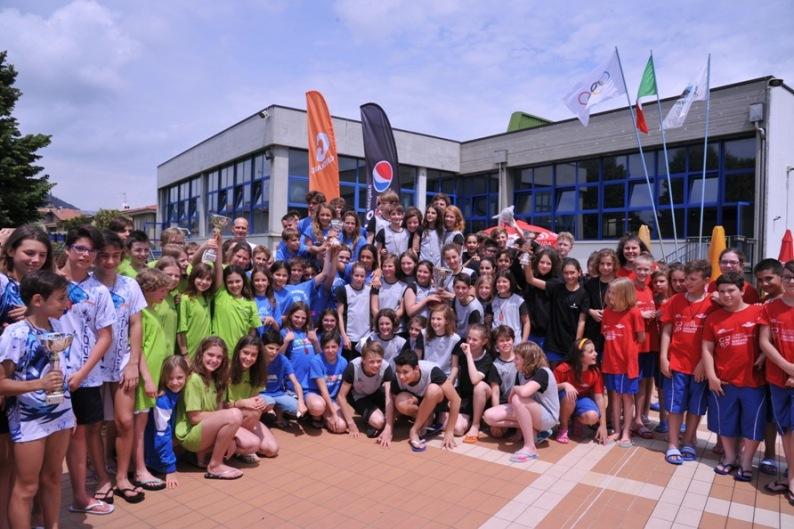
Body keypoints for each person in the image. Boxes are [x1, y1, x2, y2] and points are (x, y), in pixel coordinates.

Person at [0, 271, 77, 526]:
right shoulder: (16, 333)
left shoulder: (58, 327)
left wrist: (70, 410)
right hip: (28, 418)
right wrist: (39, 385)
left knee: (53, 478)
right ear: (37, 300)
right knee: (27, 486)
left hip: (60, 413)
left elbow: (60, 374)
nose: (66, 303)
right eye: (60, 298)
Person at [59, 226, 117, 515]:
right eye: (80, 248)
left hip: (85, 376)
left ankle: (80, 496)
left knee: (80, 436)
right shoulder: (48, 282)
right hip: (49, 377)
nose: (86, 255)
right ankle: (35, 506)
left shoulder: (99, 291)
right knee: (45, 439)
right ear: (68, 248)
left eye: (91, 250)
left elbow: (105, 336)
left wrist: (82, 373)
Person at [93, 230, 147, 503]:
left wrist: (133, 363)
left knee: (125, 421)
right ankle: (102, 477)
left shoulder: (129, 285)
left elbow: (136, 324)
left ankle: (123, 477)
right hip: (90, 364)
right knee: (94, 426)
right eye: (104, 255)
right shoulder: (84, 285)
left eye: (116, 255)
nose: (110, 261)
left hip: (122, 361)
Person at [702, 272, 766, 481]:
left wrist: (764, 355)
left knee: (752, 424)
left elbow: (771, 339)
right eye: (722, 291)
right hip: (724, 381)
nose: (726, 295)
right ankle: (730, 457)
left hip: (753, 382)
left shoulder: (758, 312)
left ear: (742, 290)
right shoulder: (713, 318)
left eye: (731, 290)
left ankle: (746, 461)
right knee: (725, 422)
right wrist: (711, 376)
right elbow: (707, 349)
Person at [658, 259, 716, 464]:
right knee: (675, 406)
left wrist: (703, 363)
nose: (687, 283)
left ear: (706, 280)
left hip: (700, 366)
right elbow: (667, 330)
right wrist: (663, 357)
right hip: (677, 363)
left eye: (693, 279)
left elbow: (714, 338)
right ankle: (673, 443)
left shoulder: (713, 303)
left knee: (695, 407)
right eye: (686, 279)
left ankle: (689, 441)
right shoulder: (675, 301)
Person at [174, 337, 257, 480]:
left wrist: (230, 437)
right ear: (201, 354)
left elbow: (219, 411)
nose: (214, 360)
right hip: (191, 433)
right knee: (234, 414)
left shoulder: (217, 378)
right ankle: (215, 465)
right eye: (210, 355)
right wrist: (227, 417)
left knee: (253, 444)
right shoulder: (194, 379)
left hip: (209, 429)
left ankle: (202, 454)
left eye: (219, 357)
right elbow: (194, 418)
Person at [483, 342, 560, 462]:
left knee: (517, 399)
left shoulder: (543, 372)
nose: (514, 361)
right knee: (489, 417)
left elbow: (523, 393)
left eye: (517, 358)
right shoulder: (521, 373)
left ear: (528, 359)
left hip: (548, 417)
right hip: (531, 410)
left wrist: (515, 388)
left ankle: (530, 448)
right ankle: (534, 432)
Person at [131, 269, 172, 493]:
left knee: (142, 424)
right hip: (143, 380)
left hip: (153, 378)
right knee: (138, 426)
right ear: (147, 290)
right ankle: (139, 470)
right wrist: (147, 379)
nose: (165, 294)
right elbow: (138, 350)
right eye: (161, 290)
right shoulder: (141, 315)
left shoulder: (152, 311)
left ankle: (140, 464)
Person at [759, 260, 794, 500]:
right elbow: (765, 341)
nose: (792, 281)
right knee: (787, 429)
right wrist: (787, 368)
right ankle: (791, 474)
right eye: (788, 276)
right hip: (777, 378)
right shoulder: (770, 307)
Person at [601, 277, 645, 447]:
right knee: (614, 397)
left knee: (627, 397)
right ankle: (617, 430)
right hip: (610, 363)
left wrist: (628, 349)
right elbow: (605, 333)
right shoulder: (607, 312)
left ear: (625, 295)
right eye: (609, 292)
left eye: (614, 293)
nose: (610, 295)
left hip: (627, 365)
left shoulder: (634, 313)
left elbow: (640, 337)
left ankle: (626, 431)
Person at [387, 350, 460, 451]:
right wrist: (388, 429)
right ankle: (426, 419)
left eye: (405, 372)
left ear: (416, 368)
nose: (401, 376)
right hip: (417, 402)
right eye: (398, 371)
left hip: (435, 402)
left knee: (433, 389)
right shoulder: (397, 378)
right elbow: (392, 404)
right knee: (400, 401)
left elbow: (456, 399)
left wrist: (449, 431)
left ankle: (414, 430)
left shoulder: (433, 371)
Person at [754, 257, 785, 475]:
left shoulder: (788, 301)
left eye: (769, 279)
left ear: (781, 276)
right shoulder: (765, 303)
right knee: (769, 414)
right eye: (760, 280)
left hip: (786, 367)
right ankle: (770, 455)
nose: (764, 284)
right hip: (767, 371)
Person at [525, 257, 587, 363]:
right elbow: (530, 279)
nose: (569, 276)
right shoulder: (556, 288)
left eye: (572, 272)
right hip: (553, 345)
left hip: (570, 345)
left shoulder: (584, 294)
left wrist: (577, 345)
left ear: (579, 272)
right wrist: (526, 258)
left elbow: (582, 322)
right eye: (566, 273)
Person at [225, 336, 278, 459]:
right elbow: (219, 407)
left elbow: (254, 398)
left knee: (272, 450)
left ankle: (241, 444)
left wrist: (260, 401)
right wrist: (241, 403)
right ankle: (236, 447)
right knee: (253, 412)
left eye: (253, 355)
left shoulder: (257, 372)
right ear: (238, 351)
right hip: (227, 416)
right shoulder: (226, 370)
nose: (249, 358)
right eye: (245, 352)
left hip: (247, 418)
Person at [144, 355, 189, 489]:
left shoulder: (177, 393)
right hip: (156, 458)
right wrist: (170, 469)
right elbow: (161, 435)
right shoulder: (163, 401)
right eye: (170, 378)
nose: (175, 382)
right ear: (164, 378)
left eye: (179, 377)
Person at [211, 235, 260, 355]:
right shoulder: (221, 293)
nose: (234, 285)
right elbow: (218, 266)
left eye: (245, 258)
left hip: (239, 353)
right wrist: (218, 245)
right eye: (238, 256)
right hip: (219, 351)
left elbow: (252, 330)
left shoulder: (250, 302)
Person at [554, 339, 608, 444]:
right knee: (570, 395)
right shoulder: (563, 368)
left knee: (593, 417)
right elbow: (549, 389)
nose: (596, 354)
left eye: (595, 350)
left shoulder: (595, 371)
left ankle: (577, 420)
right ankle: (563, 427)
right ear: (580, 355)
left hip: (582, 400)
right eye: (591, 351)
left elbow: (599, 398)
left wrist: (603, 425)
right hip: (563, 401)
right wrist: (564, 385)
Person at [337, 341, 393, 441]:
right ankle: (373, 418)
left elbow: (389, 398)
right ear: (363, 360)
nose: (376, 365)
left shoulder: (386, 367)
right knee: (379, 422)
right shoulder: (353, 367)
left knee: (397, 406)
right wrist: (351, 424)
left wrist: (388, 429)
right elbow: (341, 397)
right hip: (359, 396)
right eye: (371, 362)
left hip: (375, 392)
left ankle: (372, 417)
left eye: (379, 361)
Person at [260, 330, 308, 426]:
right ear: (262, 346)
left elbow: (295, 383)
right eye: (270, 348)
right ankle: (258, 420)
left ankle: (278, 415)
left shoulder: (283, 360)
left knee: (297, 408)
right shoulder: (256, 359)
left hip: (278, 394)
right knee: (269, 402)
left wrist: (301, 402)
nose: (274, 352)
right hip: (261, 394)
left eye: (277, 349)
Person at [304, 333, 348, 432]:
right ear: (322, 348)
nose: (331, 350)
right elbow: (323, 391)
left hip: (331, 398)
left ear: (339, 347)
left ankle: (324, 417)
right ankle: (314, 415)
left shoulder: (343, 362)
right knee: (317, 406)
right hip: (314, 394)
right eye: (327, 347)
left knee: (341, 427)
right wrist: (334, 414)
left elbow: (342, 391)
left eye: (334, 347)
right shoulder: (316, 361)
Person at [458, 324, 494, 443]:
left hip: (480, 397)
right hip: (464, 397)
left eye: (475, 340)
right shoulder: (460, 351)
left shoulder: (487, 358)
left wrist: (468, 355)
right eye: (469, 338)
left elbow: (474, 380)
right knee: (457, 429)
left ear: (484, 341)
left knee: (479, 386)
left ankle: (475, 424)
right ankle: (468, 420)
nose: (470, 342)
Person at [524, 248, 560, 349]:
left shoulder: (556, 281)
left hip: (547, 335)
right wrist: (522, 252)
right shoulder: (532, 274)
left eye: (548, 263)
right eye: (542, 262)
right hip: (529, 331)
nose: (544, 266)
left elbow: (530, 279)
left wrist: (526, 260)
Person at [583, 248, 617, 355]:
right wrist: (591, 311)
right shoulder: (589, 283)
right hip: (594, 330)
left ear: (614, 265)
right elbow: (583, 304)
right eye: (602, 264)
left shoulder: (619, 283)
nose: (605, 267)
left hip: (614, 330)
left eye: (609, 264)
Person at [336, 262, 373, 361]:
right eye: (356, 275)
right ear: (351, 275)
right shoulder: (343, 290)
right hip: (350, 338)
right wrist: (344, 336)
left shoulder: (370, 291)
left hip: (366, 337)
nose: (359, 279)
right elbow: (339, 314)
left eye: (362, 276)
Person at [176, 263, 214, 358]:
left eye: (208, 279)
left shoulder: (208, 298)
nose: (204, 282)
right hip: (190, 353)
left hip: (204, 351)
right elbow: (181, 330)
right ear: (193, 278)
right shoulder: (185, 299)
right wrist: (185, 355)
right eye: (200, 278)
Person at [423, 305, 463, 378]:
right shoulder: (423, 334)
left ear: (446, 321)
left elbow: (455, 367)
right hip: (427, 374)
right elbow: (418, 359)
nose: (435, 322)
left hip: (445, 375)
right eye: (433, 318)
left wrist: (450, 381)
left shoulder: (455, 339)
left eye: (439, 319)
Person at [490, 270, 530, 343]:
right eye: (498, 282)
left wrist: (524, 340)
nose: (501, 284)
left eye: (504, 281)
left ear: (511, 283)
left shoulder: (518, 301)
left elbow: (526, 322)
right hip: (497, 341)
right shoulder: (492, 300)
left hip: (514, 342)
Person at [453, 274, 483, 339]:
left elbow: (472, 333)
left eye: (464, 288)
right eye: (457, 287)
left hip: (470, 338)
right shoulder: (456, 299)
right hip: (457, 335)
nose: (460, 291)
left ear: (469, 288)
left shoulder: (474, 309)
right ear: (453, 288)